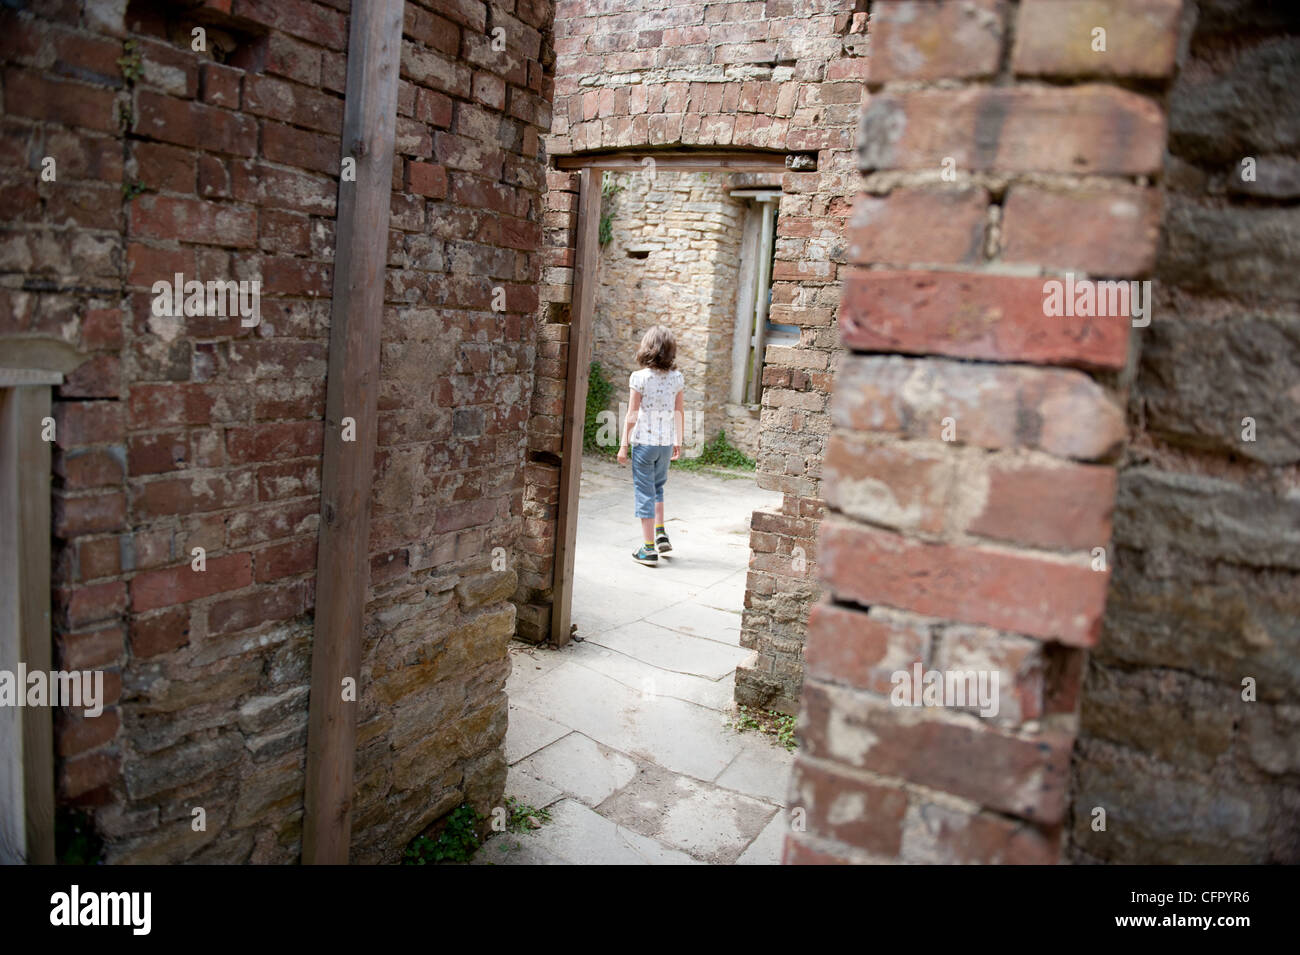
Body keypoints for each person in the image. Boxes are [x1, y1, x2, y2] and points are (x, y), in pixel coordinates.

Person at [617, 325, 684, 565]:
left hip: (644, 444)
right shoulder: (677, 378)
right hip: (665, 444)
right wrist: (678, 440)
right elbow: (679, 411)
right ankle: (660, 532)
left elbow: (632, 414)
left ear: (648, 348)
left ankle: (648, 549)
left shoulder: (640, 377)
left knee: (644, 492)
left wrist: (624, 444)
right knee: (658, 488)